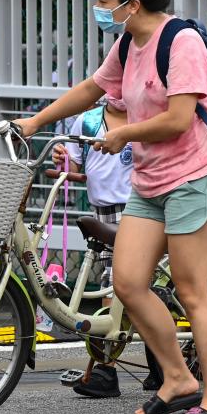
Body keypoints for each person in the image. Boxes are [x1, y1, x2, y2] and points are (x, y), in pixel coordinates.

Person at [16, 0, 207, 414]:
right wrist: (34, 122)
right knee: (130, 283)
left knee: (194, 293)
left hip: (194, 178)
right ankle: (177, 379)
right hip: (150, 182)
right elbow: (93, 89)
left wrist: (123, 135)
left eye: (103, 1)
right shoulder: (128, 44)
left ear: (131, 4)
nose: (98, 7)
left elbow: (179, 118)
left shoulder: (182, 42)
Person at [53, 98, 138, 398]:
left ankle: (107, 368)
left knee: (122, 287)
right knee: (112, 288)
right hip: (103, 211)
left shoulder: (143, 116)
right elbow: (74, 163)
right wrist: (63, 158)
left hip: (136, 208)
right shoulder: (88, 121)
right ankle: (108, 366)